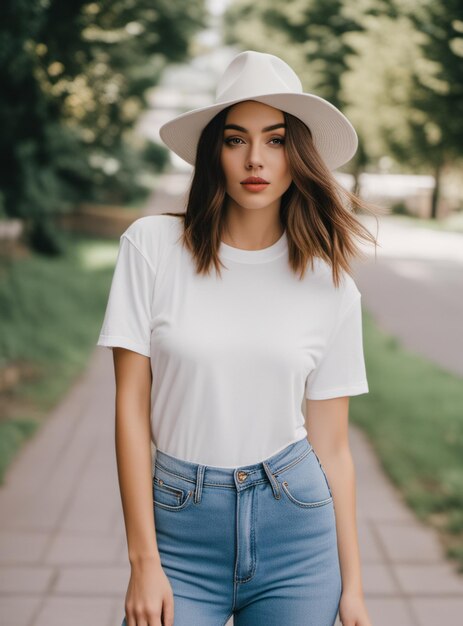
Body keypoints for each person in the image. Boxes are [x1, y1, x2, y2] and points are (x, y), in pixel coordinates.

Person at [97, 50, 380, 626]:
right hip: (180, 532)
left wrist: (354, 588)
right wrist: (143, 561)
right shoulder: (152, 247)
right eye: (235, 140)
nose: (256, 159)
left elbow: (333, 450)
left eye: (275, 140)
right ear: (213, 153)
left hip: (296, 530)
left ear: (299, 155)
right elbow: (130, 406)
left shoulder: (329, 284)